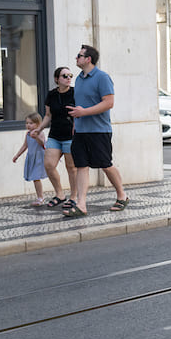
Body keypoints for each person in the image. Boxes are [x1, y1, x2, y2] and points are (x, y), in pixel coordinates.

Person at [65, 44, 129, 217]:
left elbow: (109, 103)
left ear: (88, 59)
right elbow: (79, 106)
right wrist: (75, 124)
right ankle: (81, 204)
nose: (76, 58)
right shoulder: (78, 79)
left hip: (99, 130)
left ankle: (122, 195)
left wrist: (84, 112)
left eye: (79, 55)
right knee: (81, 166)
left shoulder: (102, 77)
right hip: (80, 131)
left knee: (105, 165)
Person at [36, 66, 77, 207]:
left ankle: (74, 197)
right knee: (48, 165)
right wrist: (39, 128)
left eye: (70, 75)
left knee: (71, 168)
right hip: (55, 135)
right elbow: (48, 115)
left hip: (70, 136)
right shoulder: (51, 94)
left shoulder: (75, 93)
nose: (68, 78)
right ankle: (60, 194)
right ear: (56, 79)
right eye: (64, 76)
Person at [13, 112, 48, 206]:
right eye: (27, 123)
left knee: (36, 177)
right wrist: (17, 155)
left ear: (38, 124)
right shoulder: (28, 134)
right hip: (31, 157)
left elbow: (42, 144)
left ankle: (40, 198)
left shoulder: (39, 133)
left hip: (39, 158)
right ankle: (39, 197)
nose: (28, 125)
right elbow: (25, 146)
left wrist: (36, 137)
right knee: (35, 178)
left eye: (31, 123)